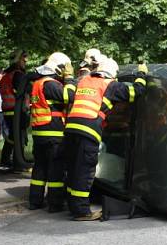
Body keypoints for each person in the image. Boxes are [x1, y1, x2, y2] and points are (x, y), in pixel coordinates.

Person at [62, 57, 147, 221]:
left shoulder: (85, 80)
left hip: (71, 129)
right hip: (88, 131)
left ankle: (73, 205)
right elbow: (135, 92)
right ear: (111, 74)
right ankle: (81, 212)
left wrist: (68, 77)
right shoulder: (110, 85)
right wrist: (141, 74)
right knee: (85, 171)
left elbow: (71, 92)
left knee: (73, 168)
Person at [28, 52, 75, 211]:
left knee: (39, 169)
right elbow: (69, 96)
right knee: (56, 170)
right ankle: (55, 204)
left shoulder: (37, 83)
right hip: (53, 134)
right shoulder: (50, 84)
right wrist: (69, 79)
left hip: (39, 133)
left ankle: (35, 201)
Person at [0, 50, 28, 170]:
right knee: (18, 137)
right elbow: (21, 91)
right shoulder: (18, 75)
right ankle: (17, 164)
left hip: (8, 109)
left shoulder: (6, 76)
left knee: (12, 136)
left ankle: (6, 162)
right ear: (17, 60)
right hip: (17, 110)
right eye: (23, 59)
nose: (25, 62)